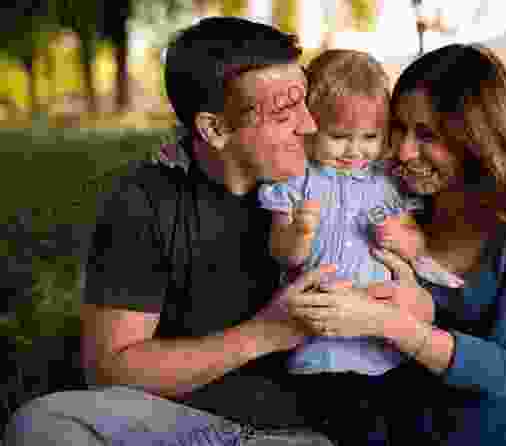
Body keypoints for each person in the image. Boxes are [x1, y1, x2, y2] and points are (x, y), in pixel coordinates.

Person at [2, 17, 434, 446]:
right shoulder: (148, 200)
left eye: (306, 103)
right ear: (214, 129)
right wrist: (264, 334)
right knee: (42, 425)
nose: (310, 125)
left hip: (297, 431)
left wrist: (414, 299)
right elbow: (109, 368)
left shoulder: (357, 179)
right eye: (287, 114)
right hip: (173, 418)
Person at [284, 43, 506, 445]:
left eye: (428, 135)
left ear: (477, 138)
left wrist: (383, 321)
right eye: (399, 129)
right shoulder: (394, 203)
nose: (405, 151)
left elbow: (502, 369)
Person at [259, 49, 461, 377]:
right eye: (338, 137)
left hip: (384, 332)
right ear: (310, 125)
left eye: (370, 137)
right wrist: (301, 233)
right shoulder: (296, 179)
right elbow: (282, 255)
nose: (355, 150)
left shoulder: (389, 181)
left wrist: (403, 238)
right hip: (317, 331)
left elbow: (417, 248)